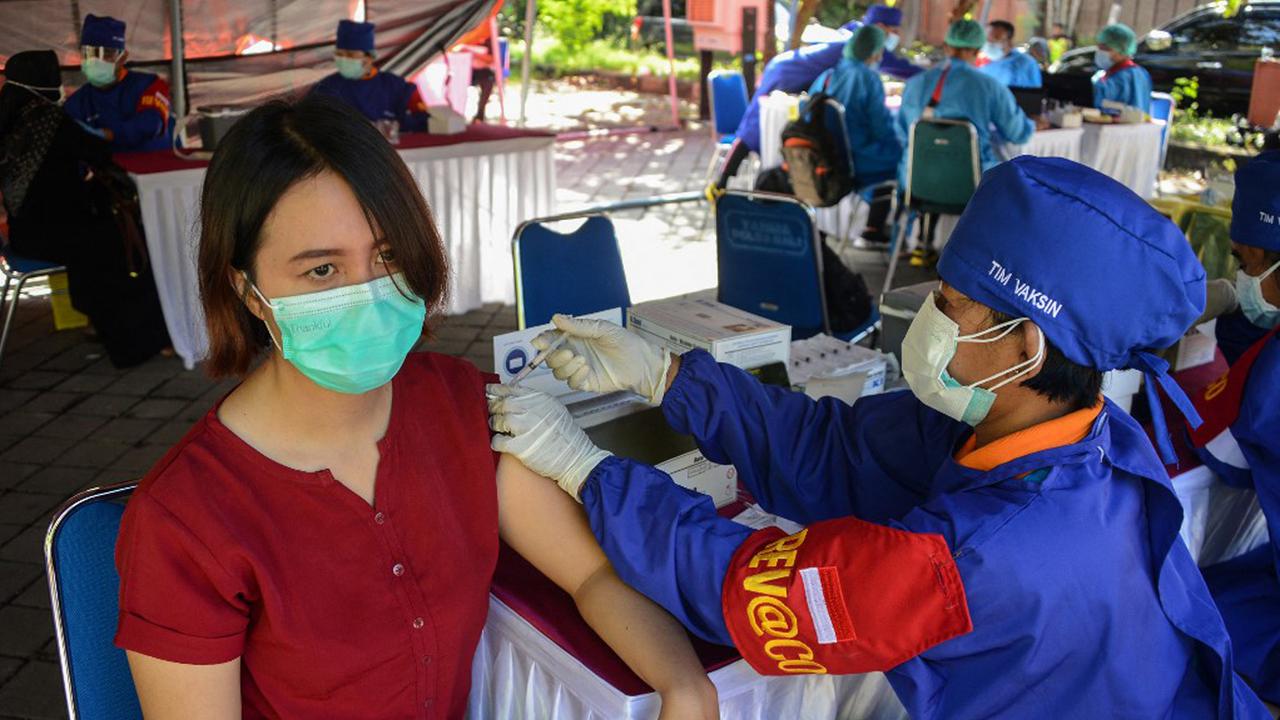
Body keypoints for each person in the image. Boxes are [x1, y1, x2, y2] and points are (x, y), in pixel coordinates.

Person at [490, 156, 1275, 719]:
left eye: (952, 303)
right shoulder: (1071, 432)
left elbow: (748, 593)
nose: (929, 317)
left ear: (1025, 345)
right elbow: (835, 449)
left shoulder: (977, 555)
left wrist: (587, 469)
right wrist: (669, 377)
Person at [112, 96, 717, 719]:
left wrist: (685, 686)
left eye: (389, 256)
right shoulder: (185, 521)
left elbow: (592, 577)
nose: (368, 294)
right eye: (321, 270)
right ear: (250, 292)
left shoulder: (461, 408)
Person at [0, 50, 170, 367]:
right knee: (129, 245)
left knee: (102, 239)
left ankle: (98, 319)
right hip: (57, 236)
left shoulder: (9, 114)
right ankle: (138, 342)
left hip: (22, 234)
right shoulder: (49, 119)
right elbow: (98, 152)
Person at [1190, 150, 1280, 705]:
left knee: (1190, 622)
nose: (1243, 277)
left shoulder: (1273, 380)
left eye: (1248, 264)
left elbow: (1227, 458)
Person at [713, 4, 920, 189]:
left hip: (785, 67)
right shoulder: (865, 44)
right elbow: (896, 70)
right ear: (881, 27)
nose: (894, 37)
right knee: (754, 128)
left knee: (754, 126)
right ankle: (725, 181)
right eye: (893, 31)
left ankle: (726, 181)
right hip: (788, 75)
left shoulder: (851, 42)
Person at [896, 19, 1034, 266]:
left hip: (915, 183)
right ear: (977, 48)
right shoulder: (989, 86)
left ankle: (923, 242)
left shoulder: (915, 84)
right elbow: (1018, 133)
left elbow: (901, 133)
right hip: (970, 185)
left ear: (947, 46)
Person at [809, 25, 903, 248]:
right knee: (903, 161)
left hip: (825, 157)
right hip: (858, 158)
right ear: (875, 52)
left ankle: (872, 226)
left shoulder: (827, 77)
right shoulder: (868, 79)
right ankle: (876, 229)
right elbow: (881, 128)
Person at [64, 14, 174, 153]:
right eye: (90, 53)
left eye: (107, 53)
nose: (97, 60)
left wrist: (105, 135)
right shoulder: (77, 103)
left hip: (155, 168)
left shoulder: (150, 85)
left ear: (123, 57)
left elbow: (150, 124)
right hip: (108, 172)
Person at [309, 20, 429, 133]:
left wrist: (398, 126)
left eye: (351, 55)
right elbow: (310, 123)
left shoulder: (395, 86)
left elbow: (423, 121)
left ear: (369, 57)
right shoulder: (326, 87)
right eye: (340, 54)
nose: (344, 59)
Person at [450, 1, 503, 123]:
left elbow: (492, 59)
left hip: (480, 69)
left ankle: (480, 115)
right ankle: (454, 114)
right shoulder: (461, 29)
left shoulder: (488, 29)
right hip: (461, 69)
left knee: (488, 79)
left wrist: (472, 52)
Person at [1092, 22, 1152, 114]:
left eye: (1106, 49)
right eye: (1099, 47)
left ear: (1122, 50)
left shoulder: (1124, 77)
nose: (1100, 52)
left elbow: (1103, 102)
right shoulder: (1139, 73)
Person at [979, 20, 1042, 88]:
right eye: (987, 39)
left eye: (996, 38)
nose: (989, 43)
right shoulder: (984, 63)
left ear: (1010, 42)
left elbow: (1029, 96)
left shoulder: (1025, 64)